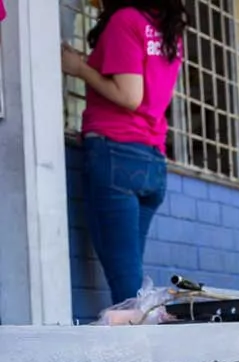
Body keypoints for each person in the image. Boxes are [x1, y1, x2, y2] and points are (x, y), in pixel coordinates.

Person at [61, 0, 188, 304]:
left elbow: (130, 95)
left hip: (117, 154)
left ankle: (145, 350)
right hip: (152, 161)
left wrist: (78, 68)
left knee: (127, 287)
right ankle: (149, 344)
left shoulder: (125, 20)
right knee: (131, 278)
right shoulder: (167, 30)